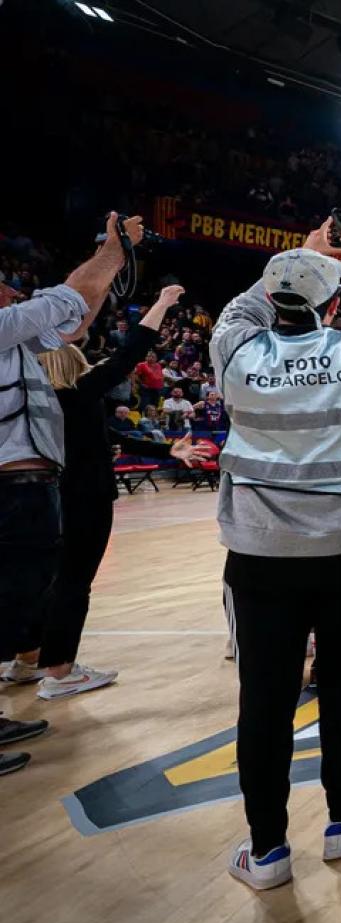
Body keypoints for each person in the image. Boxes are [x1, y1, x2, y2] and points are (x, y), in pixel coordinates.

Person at [216, 218, 341, 890]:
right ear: (334, 305)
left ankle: (267, 849)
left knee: (264, 702)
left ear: (274, 300)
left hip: (259, 556)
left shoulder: (234, 352)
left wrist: (298, 251)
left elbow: (242, 308)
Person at [3, 285, 212, 698]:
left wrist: (166, 447)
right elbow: (127, 355)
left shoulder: (41, 403)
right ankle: (60, 670)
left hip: (40, 499)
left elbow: (112, 436)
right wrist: (162, 304)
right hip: (85, 501)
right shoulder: (78, 394)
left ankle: (25, 658)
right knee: (73, 582)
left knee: (34, 581)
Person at [0, 212, 141, 776]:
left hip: (26, 487)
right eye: (4, 284)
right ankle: (52, 665)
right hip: (13, 488)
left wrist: (113, 263)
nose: (11, 291)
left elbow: (73, 322)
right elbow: (69, 299)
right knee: (18, 596)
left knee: (21, 597)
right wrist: (115, 249)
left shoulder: (14, 334)